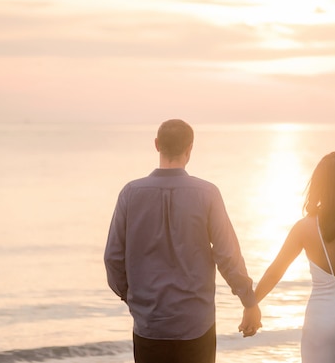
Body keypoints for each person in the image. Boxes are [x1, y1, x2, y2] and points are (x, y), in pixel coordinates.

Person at [104, 119, 261, 363]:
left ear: (156, 145)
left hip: (150, 324)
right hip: (196, 324)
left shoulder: (130, 193)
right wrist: (249, 301)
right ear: (190, 148)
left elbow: (113, 258)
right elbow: (227, 255)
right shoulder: (207, 194)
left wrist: (133, 297)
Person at [254, 152, 335, 363]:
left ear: (319, 186)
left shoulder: (304, 227)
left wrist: (252, 303)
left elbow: (275, 270)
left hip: (320, 319)